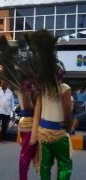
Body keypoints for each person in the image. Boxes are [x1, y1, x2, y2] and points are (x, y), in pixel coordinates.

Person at [30, 30, 73, 180]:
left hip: (43, 133)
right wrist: (69, 128)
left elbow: (37, 109)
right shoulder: (64, 88)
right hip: (59, 134)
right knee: (65, 165)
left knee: (45, 166)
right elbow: (67, 114)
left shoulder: (43, 90)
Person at [16, 81, 38, 180]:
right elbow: (28, 105)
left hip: (30, 123)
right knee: (26, 155)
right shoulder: (26, 87)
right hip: (29, 124)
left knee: (28, 154)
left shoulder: (28, 85)